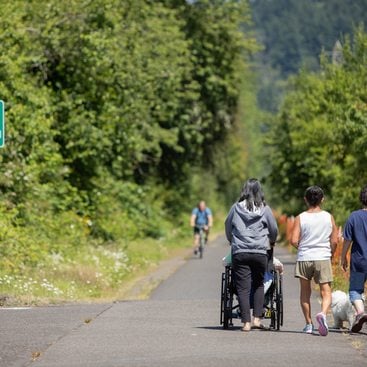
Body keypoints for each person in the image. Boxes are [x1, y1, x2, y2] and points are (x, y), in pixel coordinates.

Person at [225, 178, 278, 332]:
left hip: (240, 251)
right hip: (260, 251)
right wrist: (272, 241)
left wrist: (231, 241)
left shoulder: (235, 208)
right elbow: (273, 229)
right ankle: (257, 319)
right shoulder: (265, 209)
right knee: (258, 284)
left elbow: (228, 226)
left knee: (242, 288)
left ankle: (246, 323)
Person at [291, 186, 338, 336]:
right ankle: (323, 314)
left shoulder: (301, 217)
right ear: (322, 200)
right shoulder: (328, 217)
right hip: (322, 257)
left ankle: (309, 324)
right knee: (326, 292)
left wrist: (302, 247)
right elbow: (335, 239)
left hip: (305, 257)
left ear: (305, 199)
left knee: (305, 293)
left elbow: (293, 240)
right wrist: (331, 252)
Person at [341, 184, 367, 333]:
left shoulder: (354, 216)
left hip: (359, 261)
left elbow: (347, 240)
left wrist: (343, 256)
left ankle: (360, 312)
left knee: (355, 291)